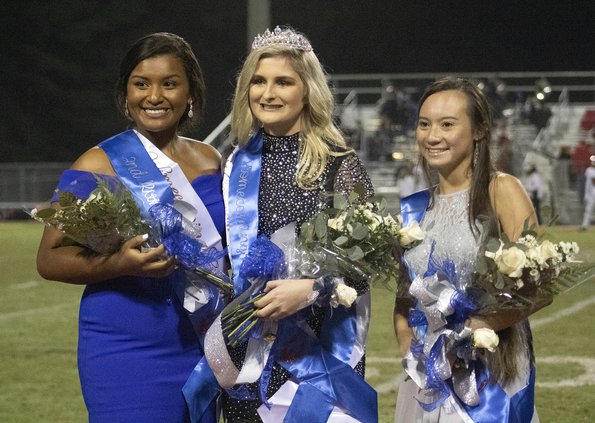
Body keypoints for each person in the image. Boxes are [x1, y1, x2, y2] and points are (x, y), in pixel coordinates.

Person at [36, 32, 224, 423]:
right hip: (126, 344)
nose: (154, 96)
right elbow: (49, 259)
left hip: (202, 340)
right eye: (141, 84)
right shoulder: (97, 162)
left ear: (190, 93)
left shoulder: (211, 159)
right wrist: (119, 264)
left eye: (170, 84)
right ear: (126, 94)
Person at [199, 26, 376, 423]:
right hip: (249, 343)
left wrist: (312, 289)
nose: (268, 93)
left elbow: (367, 263)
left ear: (307, 89)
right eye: (258, 82)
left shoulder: (338, 164)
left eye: (283, 82)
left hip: (320, 347)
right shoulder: (235, 163)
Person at [394, 76, 548, 422]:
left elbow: (541, 287)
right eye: (424, 124)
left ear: (479, 130)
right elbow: (404, 297)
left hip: (490, 370)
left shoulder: (502, 190)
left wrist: (474, 329)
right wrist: (410, 350)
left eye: (447, 124)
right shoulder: (413, 208)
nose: (432, 136)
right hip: (427, 374)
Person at [579, 155, 595, 231]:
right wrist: (586, 194)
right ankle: (584, 225)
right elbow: (587, 183)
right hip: (592, 193)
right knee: (588, 209)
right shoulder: (589, 170)